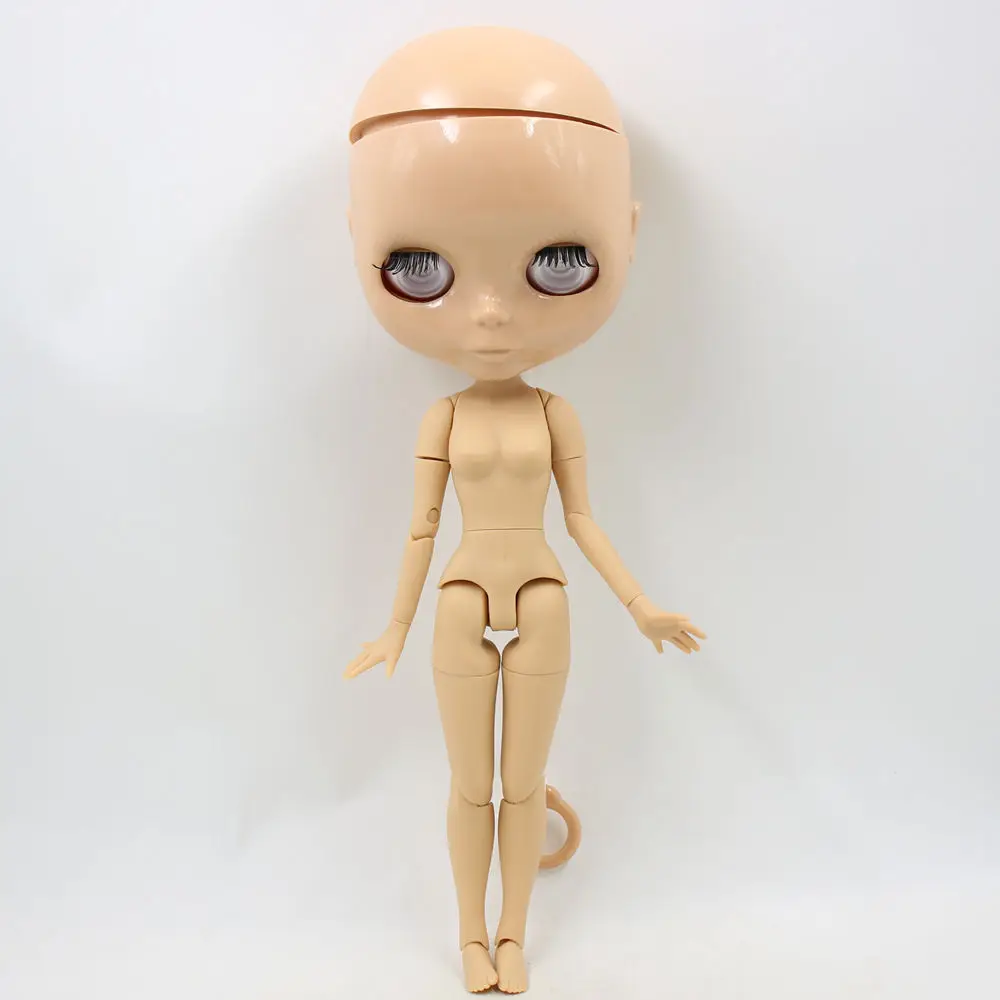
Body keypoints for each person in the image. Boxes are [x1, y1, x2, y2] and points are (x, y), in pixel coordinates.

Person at [343, 26, 705, 994]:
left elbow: (581, 521)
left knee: (518, 786)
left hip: (541, 594)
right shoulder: (443, 415)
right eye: (419, 266)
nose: (492, 315)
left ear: (627, 234)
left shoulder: (554, 413)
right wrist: (392, 627)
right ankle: (471, 935)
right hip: (462, 596)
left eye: (560, 262)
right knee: (471, 786)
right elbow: (422, 528)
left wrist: (641, 606)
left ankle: (513, 933)